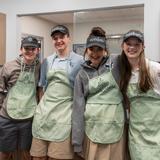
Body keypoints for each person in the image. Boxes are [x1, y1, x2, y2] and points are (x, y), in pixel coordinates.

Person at [30, 25, 84, 160]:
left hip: (64, 115)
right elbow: (41, 88)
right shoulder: (47, 61)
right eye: (55, 38)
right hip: (43, 115)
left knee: (58, 157)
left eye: (62, 37)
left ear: (68, 38)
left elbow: (82, 90)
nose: (58, 40)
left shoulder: (79, 61)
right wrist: (40, 109)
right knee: (38, 156)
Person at [72, 27, 125, 160]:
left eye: (99, 49)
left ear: (105, 50)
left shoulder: (116, 64)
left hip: (115, 127)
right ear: (86, 50)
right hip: (92, 129)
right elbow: (78, 109)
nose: (95, 54)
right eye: (91, 49)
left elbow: (135, 61)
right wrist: (77, 142)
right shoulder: (81, 74)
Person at [119, 30, 160, 160]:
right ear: (122, 46)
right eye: (128, 44)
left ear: (143, 47)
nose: (132, 47)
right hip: (136, 134)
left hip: (156, 134)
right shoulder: (124, 73)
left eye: (136, 44)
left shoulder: (154, 68)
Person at [0, 36, 40, 160]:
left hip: (28, 119)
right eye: (27, 48)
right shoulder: (9, 66)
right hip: (7, 118)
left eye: (33, 49)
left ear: (37, 50)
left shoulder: (40, 67)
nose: (30, 51)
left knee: (26, 153)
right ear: (21, 49)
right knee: (5, 152)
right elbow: (0, 90)